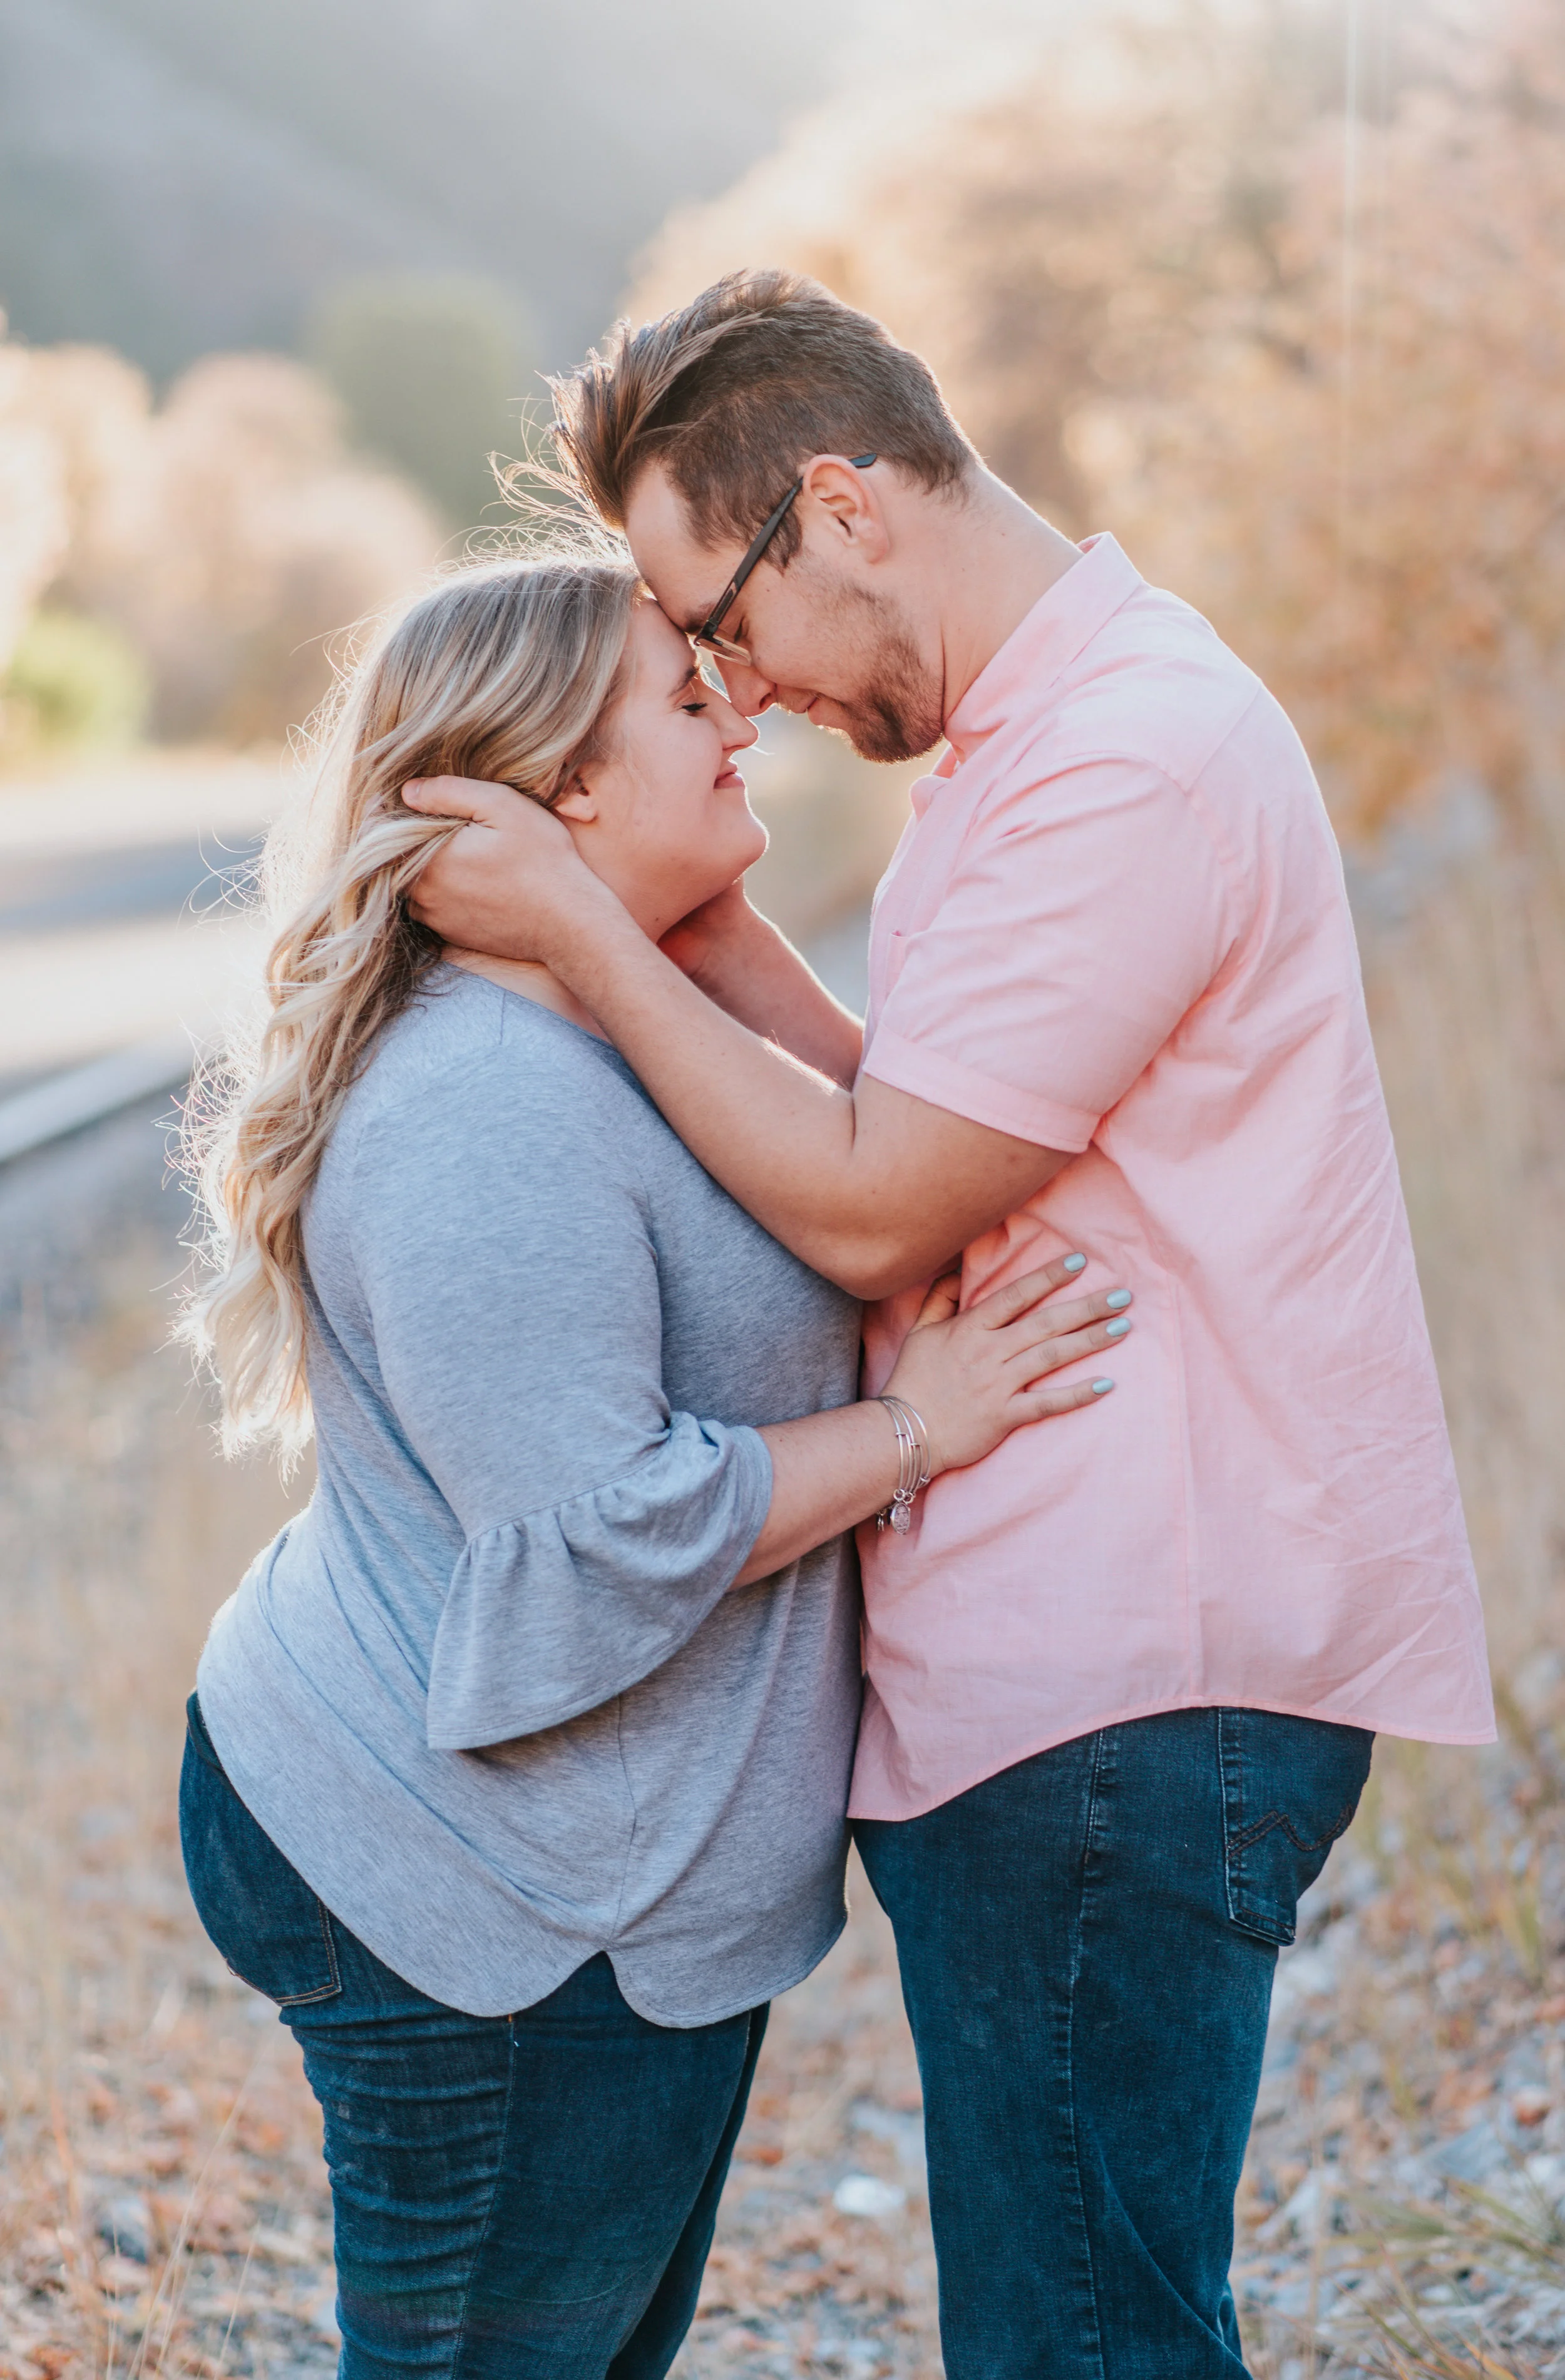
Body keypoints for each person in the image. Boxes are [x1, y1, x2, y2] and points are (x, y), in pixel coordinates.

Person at [403, 270, 1497, 2379]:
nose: (735, 686)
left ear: (840, 504)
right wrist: (707, 928)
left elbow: (871, 1203)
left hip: (1127, 1682)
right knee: (1067, 2320)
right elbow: (929, 1129)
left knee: (1079, 2342)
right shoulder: (1030, 745)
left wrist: (590, 940)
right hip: (1061, 1680)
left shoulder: (1128, 765)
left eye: (723, 619)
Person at [177, 549, 1131, 2380]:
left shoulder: (623, 1038)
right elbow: (590, 1540)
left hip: (593, 1860)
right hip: (484, 1880)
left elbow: (878, 1160)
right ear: (556, 792)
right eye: (684, 701)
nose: (741, 712)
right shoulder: (483, 1115)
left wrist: (645, 931)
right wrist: (917, 1428)